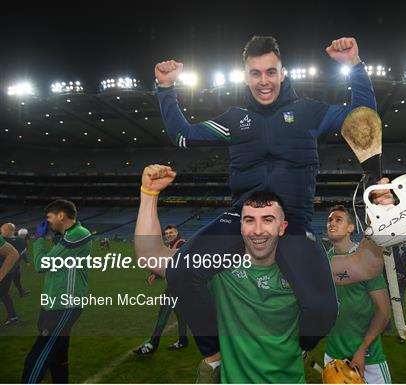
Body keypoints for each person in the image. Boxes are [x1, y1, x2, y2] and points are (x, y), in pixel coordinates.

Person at [154, 35, 392, 372]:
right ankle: (215, 354)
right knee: (180, 271)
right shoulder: (234, 118)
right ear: (246, 76)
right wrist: (165, 88)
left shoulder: (308, 112)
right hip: (242, 219)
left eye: (270, 72)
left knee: (323, 310)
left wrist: (354, 66)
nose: (263, 81)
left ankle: (291, 352)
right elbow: (182, 134)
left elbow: (362, 117)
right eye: (255, 73)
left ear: (282, 72)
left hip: (291, 223)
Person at [134, 164, 385, 383]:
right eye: (249, 220)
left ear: (282, 226)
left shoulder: (307, 271)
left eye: (267, 219)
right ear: (239, 225)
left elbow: (367, 266)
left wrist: (381, 213)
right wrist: (149, 194)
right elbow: (152, 257)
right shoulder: (220, 270)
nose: (257, 230)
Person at [21, 200, 92, 384]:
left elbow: (41, 265)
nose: (47, 222)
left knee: (38, 356)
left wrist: (38, 238)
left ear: (61, 215)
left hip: (65, 305)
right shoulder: (66, 236)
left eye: (49, 217)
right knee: (58, 357)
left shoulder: (79, 233)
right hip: (52, 304)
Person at [324, 205, 392, 384]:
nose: (332, 223)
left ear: (350, 228)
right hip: (333, 355)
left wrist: (362, 349)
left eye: (338, 220)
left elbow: (384, 312)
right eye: (329, 220)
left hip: (368, 357)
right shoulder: (324, 260)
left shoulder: (367, 259)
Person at [133, 224, 189, 355]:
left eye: (171, 232)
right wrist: (156, 274)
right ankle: (183, 340)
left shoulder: (181, 244)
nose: (168, 234)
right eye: (167, 233)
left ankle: (153, 344)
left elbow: (175, 265)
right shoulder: (172, 246)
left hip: (176, 287)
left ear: (177, 232)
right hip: (179, 286)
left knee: (163, 314)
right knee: (180, 314)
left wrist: (157, 274)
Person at [1, 223, 30, 298]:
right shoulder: (21, 241)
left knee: (13, 279)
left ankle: (21, 291)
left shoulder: (4, 238)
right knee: (13, 280)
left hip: (6, 263)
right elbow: (23, 252)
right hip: (12, 264)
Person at [0, 234, 20, 326]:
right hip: (10, 270)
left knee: (4, 294)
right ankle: (13, 316)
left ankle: (13, 316)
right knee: (4, 295)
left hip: (7, 271)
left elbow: (13, 254)